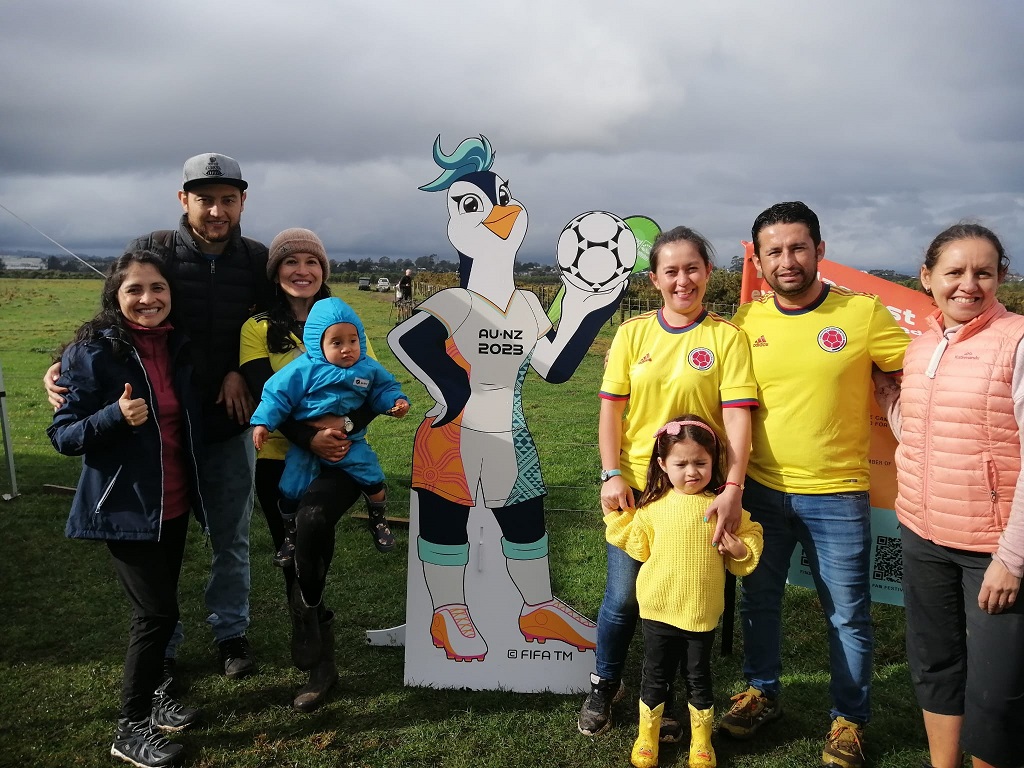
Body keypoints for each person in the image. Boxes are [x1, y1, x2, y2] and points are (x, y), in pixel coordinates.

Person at [44, 153, 272, 681]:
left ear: (242, 201)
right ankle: (162, 642)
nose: (217, 210)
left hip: (226, 425)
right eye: (205, 198)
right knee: (159, 536)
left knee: (231, 536)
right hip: (163, 431)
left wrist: (241, 373)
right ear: (183, 199)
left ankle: (230, 632)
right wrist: (65, 360)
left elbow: (270, 327)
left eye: (228, 199)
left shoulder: (257, 260)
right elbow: (119, 308)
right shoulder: (155, 251)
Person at [725, 201, 909, 768]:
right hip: (759, 488)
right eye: (774, 251)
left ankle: (848, 719)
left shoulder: (864, 314)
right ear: (757, 258)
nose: (787, 260)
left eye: (798, 247)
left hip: (839, 493)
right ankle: (762, 692)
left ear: (820, 251)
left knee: (848, 612)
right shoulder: (746, 322)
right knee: (759, 600)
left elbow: (922, 373)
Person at [578, 226, 758, 740]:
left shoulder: (727, 337)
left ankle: (669, 696)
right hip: (636, 488)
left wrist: (733, 485)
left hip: (697, 492)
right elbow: (612, 411)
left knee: (684, 594)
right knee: (623, 598)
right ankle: (604, 683)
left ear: (708, 273)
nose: (684, 280)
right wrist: (611, 473)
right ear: (655, 278)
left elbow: (739, 418)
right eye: (672, 271)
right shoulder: (633, 333)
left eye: (693, 268)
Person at [874, 223, 1024, 768]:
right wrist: (890, 394)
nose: (968, 284)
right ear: (927, 278)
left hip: (993, 549)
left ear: (1001, 277)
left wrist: (1013, 557)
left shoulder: (1017, 341)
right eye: (955, 272)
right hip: (921, 533)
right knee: (934, 664)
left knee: (997, 684)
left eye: (983, 272)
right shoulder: (920, 347)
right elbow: (920, 429)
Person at [47, 252, 204, 768]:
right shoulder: (93, 355)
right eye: (135, 289)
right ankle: (129, 729)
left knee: (164, 610)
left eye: (158, 288)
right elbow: (64, 435)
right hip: (125, 507)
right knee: (154, 615)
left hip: (175, 503)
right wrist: (114, 415)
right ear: (115, 296)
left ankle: (156, 699)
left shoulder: (179, 344)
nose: (148, 299)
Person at [238, 227, 391, 711]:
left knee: (314, 521)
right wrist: (311, 437)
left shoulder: (344, 318)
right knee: (293, 555)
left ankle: (316, 650)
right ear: (276, 271)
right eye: (290, 262)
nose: (302, 271)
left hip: (342, 455)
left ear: (323, 270)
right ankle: (316, 652)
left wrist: (342, 428)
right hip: (278, 457)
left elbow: (370, 383)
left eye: (312, 262)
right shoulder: (257, 327)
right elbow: (266, 391)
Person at [604, 415, 763, 768]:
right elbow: (637, 546)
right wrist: (614, 517)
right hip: (657, 610)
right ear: (662, 464)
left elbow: (751, 537)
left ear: (714, 462)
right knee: (654, 674)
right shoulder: (652, 508)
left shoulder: (722, 507)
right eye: (681, 463)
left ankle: (701, 742)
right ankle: (647, 737)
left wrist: (738, 550)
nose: (692, 471)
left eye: (701, 463)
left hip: (700, 613)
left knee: (698, 677)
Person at [251, 295, 410, 564]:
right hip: (306, 446)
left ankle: (378, 518)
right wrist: (263, 422)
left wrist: (395, 402)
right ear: (318, 343)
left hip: (351, 441)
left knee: (371, 474)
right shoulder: (304, 369)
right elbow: (276, 395)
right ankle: (290, 536)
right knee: (291, 486)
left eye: (352, 340)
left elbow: (384, 388)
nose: (347, 349)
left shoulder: (368, 368)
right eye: (336, 343)